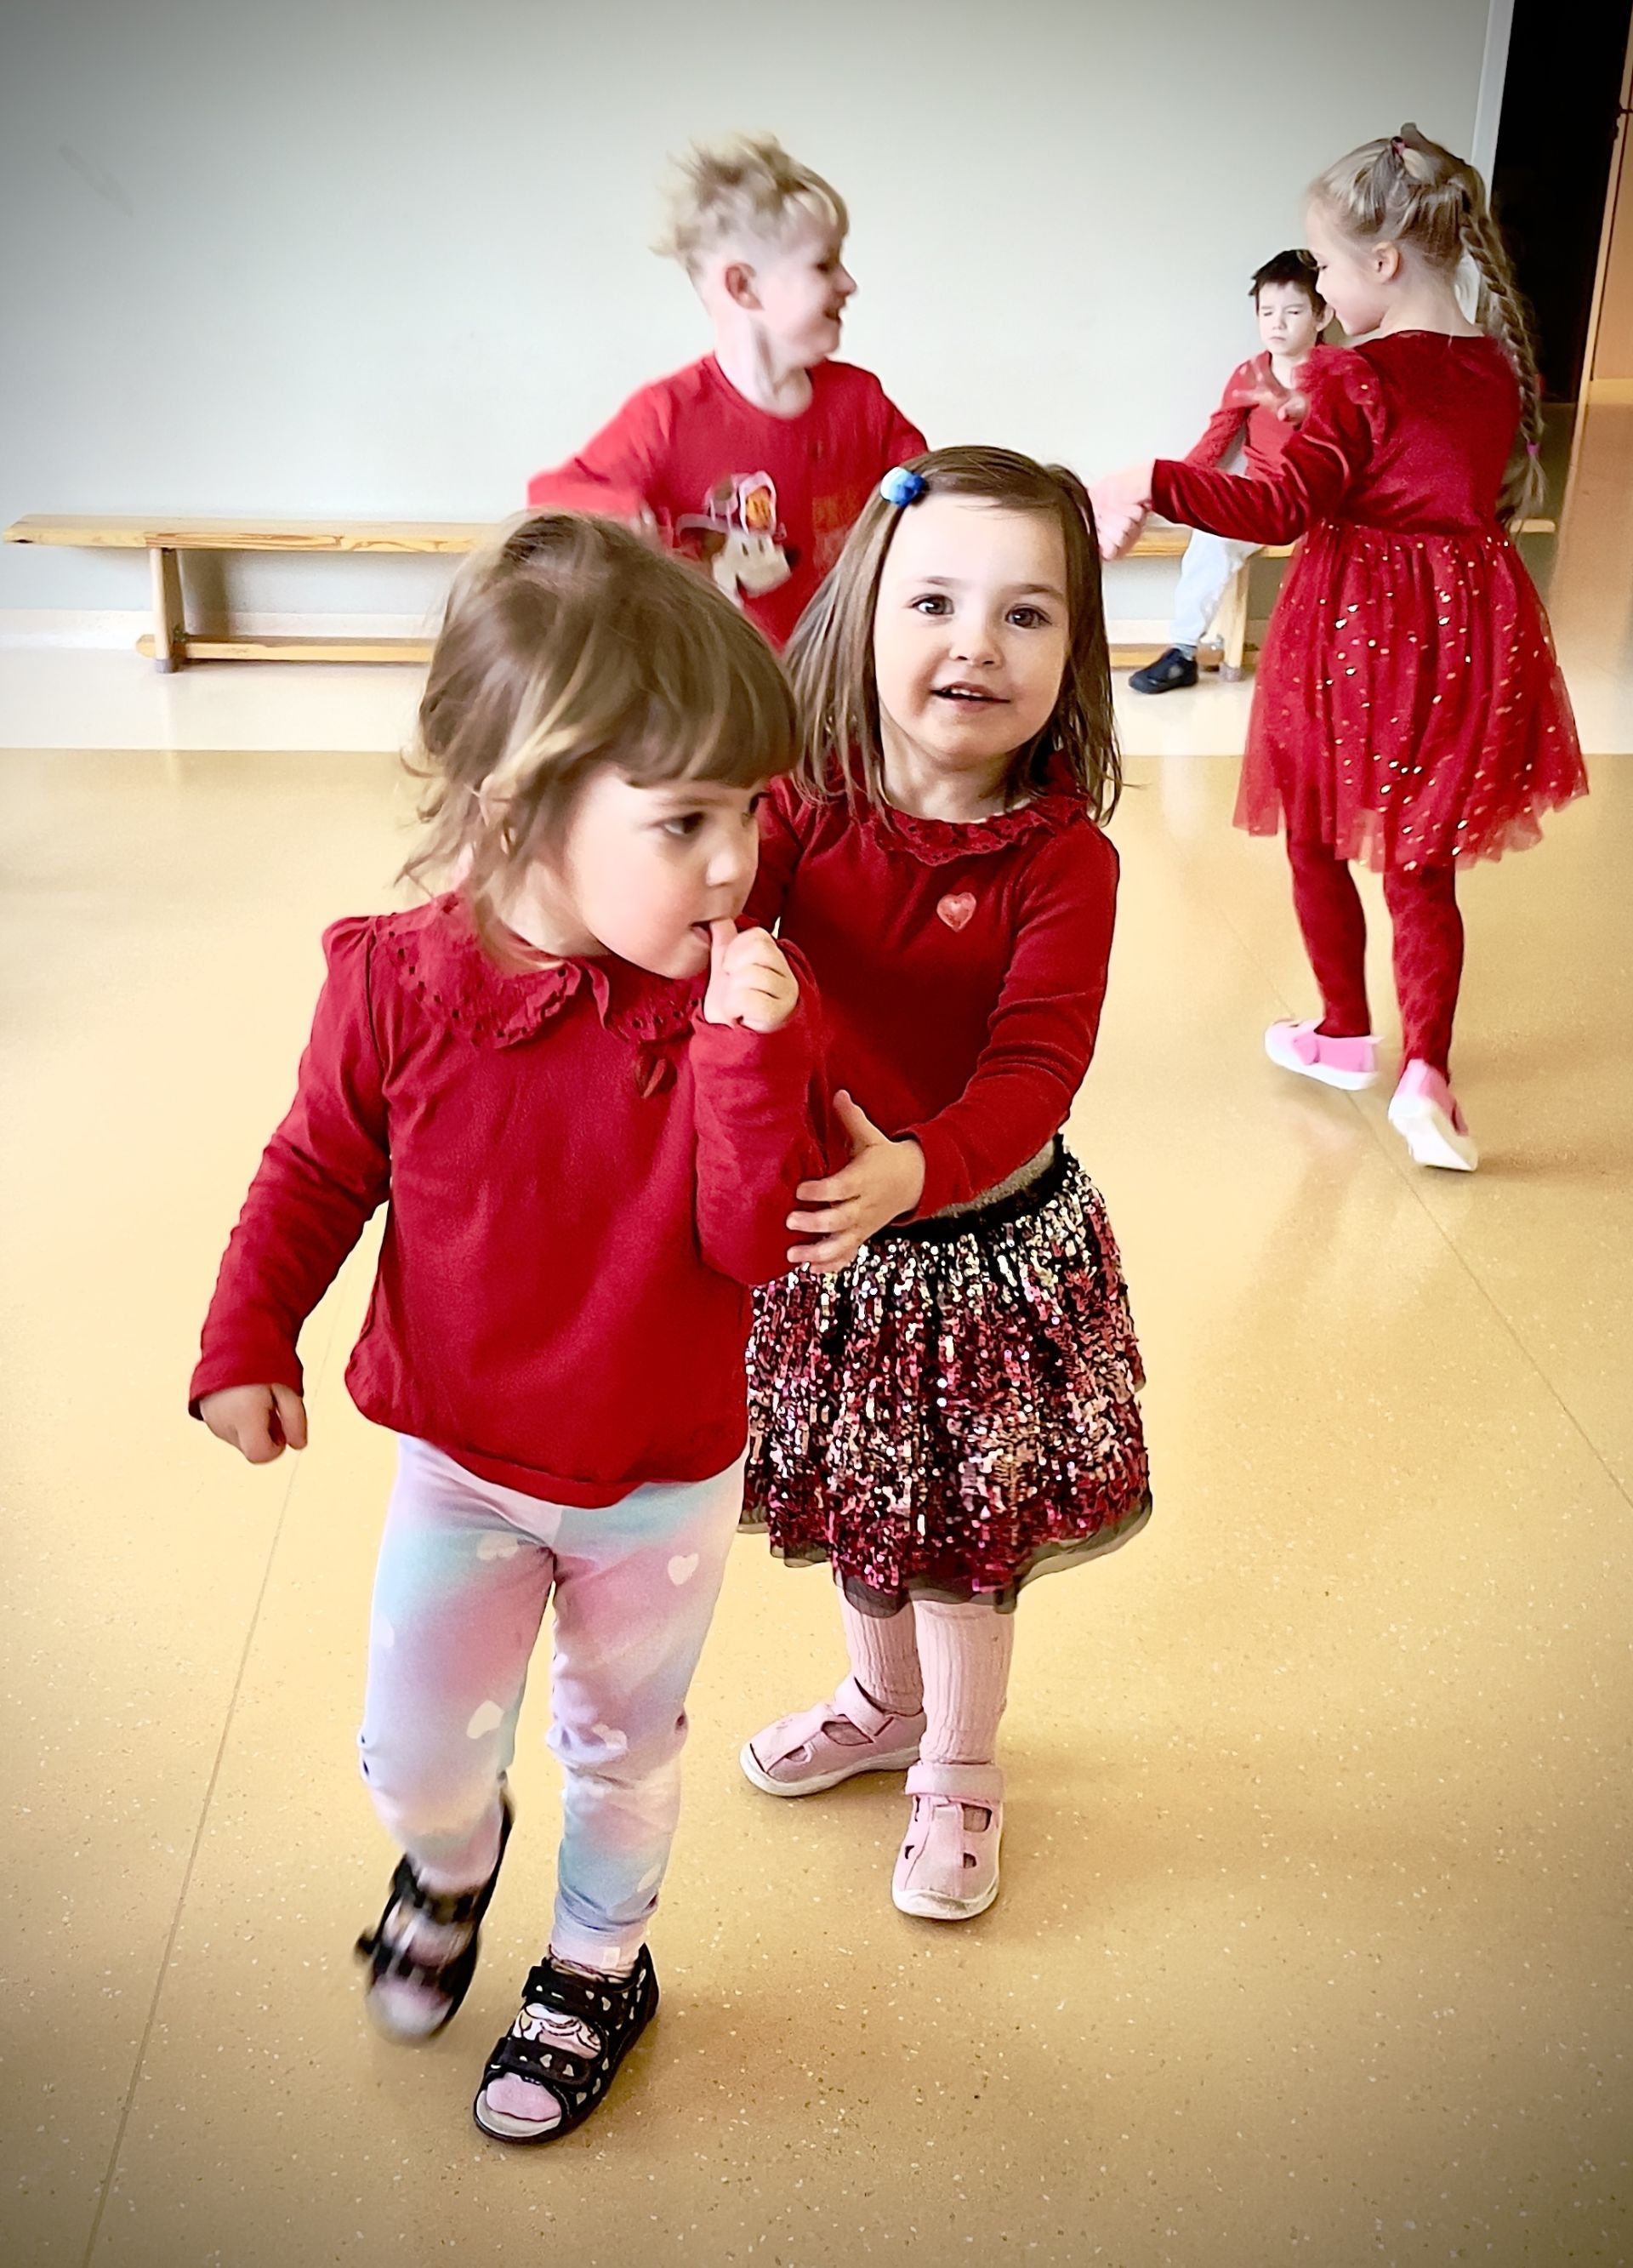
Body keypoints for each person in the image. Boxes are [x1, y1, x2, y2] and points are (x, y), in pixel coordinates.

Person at [190, 514, 824, 2143]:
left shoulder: (738, 1004)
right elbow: (316, 1165)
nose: (739, 862)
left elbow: (754, 1242)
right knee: (415, 1751)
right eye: (686, 820)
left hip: (658, 1482)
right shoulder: (398, 985)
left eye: (750, 810)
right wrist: (248, 1330)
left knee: (623, 1743)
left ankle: (600, 1961)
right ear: (519, 808)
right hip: (463, 1466)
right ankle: (453, 1862)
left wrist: (749, 1063)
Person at [737, 448, 1151, 1922]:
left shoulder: (1065, 860)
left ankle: (960, 1765)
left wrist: (917, 1168)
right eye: (935, 602)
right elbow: (706, 936)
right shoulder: (796, 810)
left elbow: (1037, 1068)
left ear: (1072, 651)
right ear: (862, 616)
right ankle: (880, 1703)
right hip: (833, 1245)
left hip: (981, 1246)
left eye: (1026, 613)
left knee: (963, 1542)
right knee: (866, 1498)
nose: (977, 642)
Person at [1093, 126, 1586, 1170]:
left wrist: (1150, 478)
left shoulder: (1355, 378)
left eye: (1323, 266)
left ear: (1385, 262)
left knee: (1316, 828)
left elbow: (1278, 508)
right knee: (1422, 861)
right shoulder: (1495, 366)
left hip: (1355, 630)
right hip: (1464, 632)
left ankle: (1344, 1031)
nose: (1316, 287)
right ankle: (1428, 1073)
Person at [526, 134, 925, 645]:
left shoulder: (861, 402)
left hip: (840, 669)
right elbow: (550, 497)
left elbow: (928, 487)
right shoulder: (667, 415)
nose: (849, 283)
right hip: (725, 677)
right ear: (744, 287)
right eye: (824, 265)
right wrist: (623, 518)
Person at [1130, 249, 1331, 694]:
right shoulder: (1250, 375)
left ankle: (1325, 663)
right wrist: (1171, 488)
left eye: (1293, 311)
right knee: (1211, 537)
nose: (1278, 323)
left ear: (1322, 315)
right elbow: (1218, 438)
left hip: (1324, 504)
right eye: (1267, 312)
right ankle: (1182, 651)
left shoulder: (1341, 375)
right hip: (1264, 500)